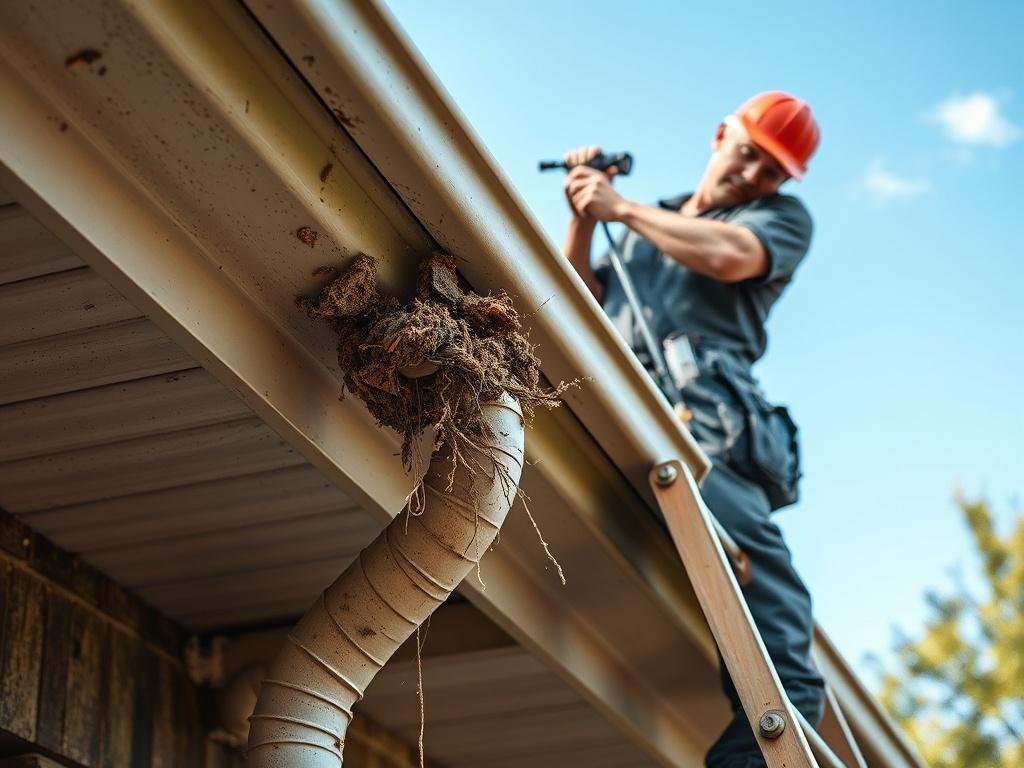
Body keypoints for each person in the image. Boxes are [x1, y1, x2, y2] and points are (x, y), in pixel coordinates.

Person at [560, 91, 825, 767]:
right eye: (747, 154)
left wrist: (621, 208)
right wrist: (586, 216)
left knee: (785, 669)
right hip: (623, 409)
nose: (752, 176)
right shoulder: (655, 218)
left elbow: (731, 256)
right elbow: (578, 302)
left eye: (770, 170)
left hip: (708, 435)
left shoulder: (778, 219)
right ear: (719, 135)